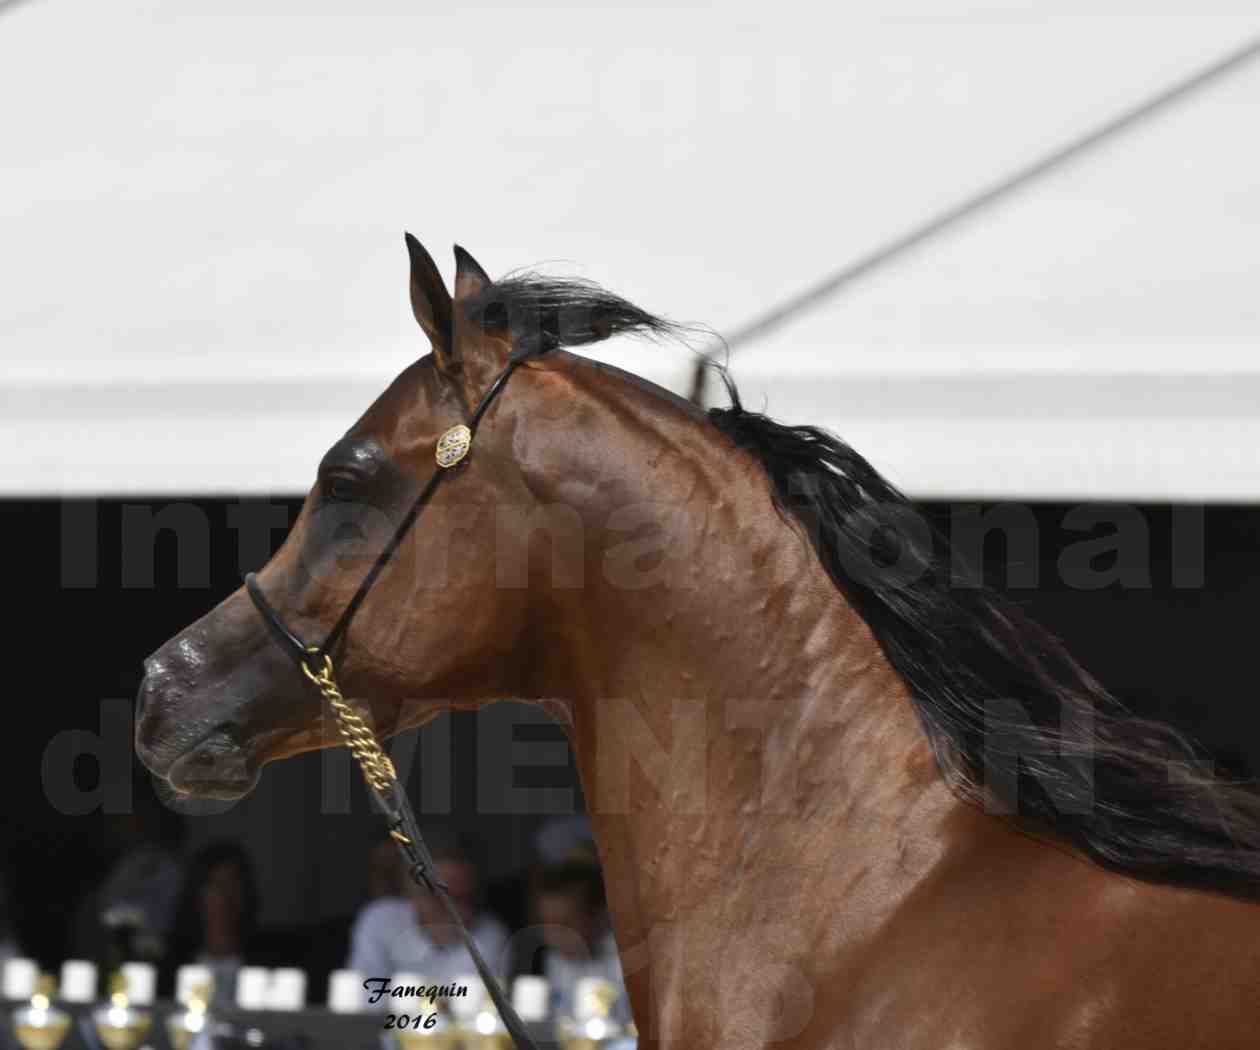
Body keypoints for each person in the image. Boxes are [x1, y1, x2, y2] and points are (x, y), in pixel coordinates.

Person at [348, 831, 507, 986]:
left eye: (465, 898)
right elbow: (365, 995)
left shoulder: (491, 935)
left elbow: (483, 1005)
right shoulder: (380, 921)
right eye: (443, 898)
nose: (456, 908)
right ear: (413, 895)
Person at [162, 841, 262, 1005]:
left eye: (233, 883)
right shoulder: (170, 968)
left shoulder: (268, 962)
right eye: (216, 885)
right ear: (197, 895)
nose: (226, 896)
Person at [531, 858, 626, 1022]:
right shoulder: (541, 961)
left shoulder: (625, 966)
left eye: (564, 924)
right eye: (546, 922)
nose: (554, 935)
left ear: (598, 918)